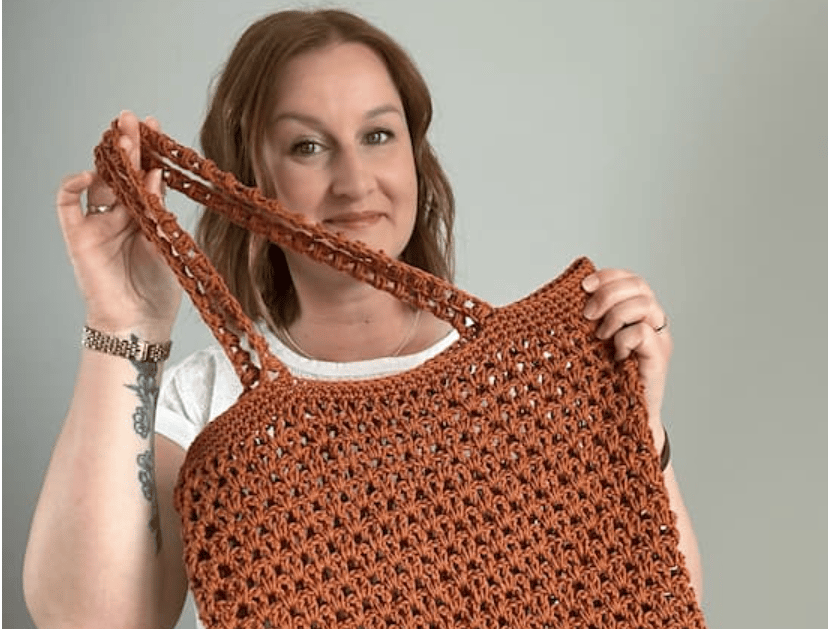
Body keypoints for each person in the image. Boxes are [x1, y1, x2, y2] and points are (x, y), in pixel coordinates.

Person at [23, 8, 702, 629]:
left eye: (378, 135)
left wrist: (635, 424)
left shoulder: (527, 381)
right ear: (247, 178)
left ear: (415, 158)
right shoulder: (207, 405)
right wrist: (126, 320)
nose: (354, 181)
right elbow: (85, 620)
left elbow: (653, 600)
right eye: (307, 147)